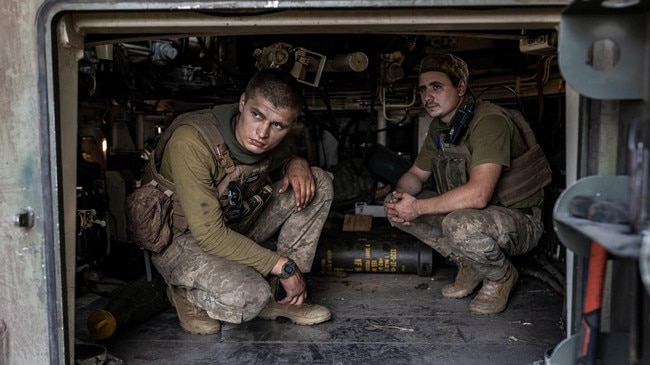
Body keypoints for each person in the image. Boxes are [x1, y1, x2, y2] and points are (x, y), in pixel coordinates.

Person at [150, 68, 334, 334]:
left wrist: (297, 162)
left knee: (318, 183)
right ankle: (185, 291)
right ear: (242, 103)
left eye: (278, 125)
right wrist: (282, 265)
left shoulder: (270, 135)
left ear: (289, 126)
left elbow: (286, 155)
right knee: (249, 297)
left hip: (235, 225)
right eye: (256, 115)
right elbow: (209, 235)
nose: (262, 132)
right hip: (183, 241)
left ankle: (285, 295)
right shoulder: (191, 142)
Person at [383, 53, 547, 314]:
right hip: (475, 217)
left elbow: (479, 195)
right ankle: (470, 262)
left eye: (437, 87)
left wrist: (417, 207)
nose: (427, 96)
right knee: (395, 206)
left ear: (460, 88)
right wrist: (400, 198)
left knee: (458, 223)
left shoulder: (489, 121)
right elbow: (416, 175)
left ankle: (500, 276)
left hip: (520, 220)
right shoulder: (440, 128)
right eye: (423, 89)